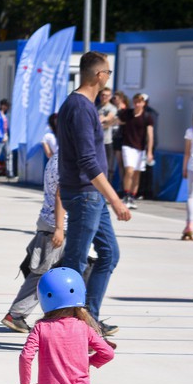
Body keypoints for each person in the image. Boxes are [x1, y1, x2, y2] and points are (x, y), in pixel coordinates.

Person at [57, 51, 131, 338]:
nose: (108, 77)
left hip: (91, 196)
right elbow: (88, 162)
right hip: (86, 195)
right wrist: (115, 200)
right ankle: (64, 327)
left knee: (109, 254)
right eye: (108, 73)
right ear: (99, 75)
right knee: (73, 264)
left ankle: (90, 321)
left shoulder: (81, 107)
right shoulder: (79, 107)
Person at [1, 114, 67, 334]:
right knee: (43, 273)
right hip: (56, 223)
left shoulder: (57, 157)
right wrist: (59, 227)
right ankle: (17, 314)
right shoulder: (65, 160)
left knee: (46, 271)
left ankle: (22, 314)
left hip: (51, 221)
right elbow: (61, 194)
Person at [117, 93, 154, 208]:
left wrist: (149, 152)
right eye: (136, 101)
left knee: (137, 174)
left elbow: (150, 135)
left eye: (140, 102)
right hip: (127, 146)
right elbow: (117, 120)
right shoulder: (127, 113)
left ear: (144, 103)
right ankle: (126, 195)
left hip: (141, 149)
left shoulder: (147, 117)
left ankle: (132, 197)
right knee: (129, 171)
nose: (137, 104)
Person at [181, 106, 193, 240]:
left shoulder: (190, 132)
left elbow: (187, 153)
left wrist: (184, 168)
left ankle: (190, 224)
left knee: (191, 197)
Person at [97, 87, 117, 178]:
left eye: (106, 95)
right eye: (102, 95)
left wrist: (102, 119)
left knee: (108, 167)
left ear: (110, 97)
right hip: (96, 141)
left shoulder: (112, 108)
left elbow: (110, 117)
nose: (104, 97)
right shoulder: (96, 107)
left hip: (107, 141)